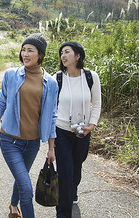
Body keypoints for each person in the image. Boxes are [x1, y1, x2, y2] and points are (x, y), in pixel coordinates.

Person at [0, 33, 58, 218]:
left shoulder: (51, 83)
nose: (25, 54)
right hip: (9, 140)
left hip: (32, 143)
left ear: (40, 55)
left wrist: (51, 148)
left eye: (30, 50)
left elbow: (52, 116)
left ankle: (13, 206)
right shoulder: (11, 75)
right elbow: (1, 102)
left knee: (22, 179)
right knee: (27, 189)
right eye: (23, 49)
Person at [54, 41, 102, 218]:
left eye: (67, 52)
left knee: (77, 165)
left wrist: (92, 125)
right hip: (62, 131)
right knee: (64, 171)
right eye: (61, 53)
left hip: (84, 131)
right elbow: (51, 106)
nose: (63, 56)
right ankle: (63, 212)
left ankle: (73, 189)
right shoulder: (57, 77)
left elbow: (96, 103)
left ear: (78, 55)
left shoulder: (91, 77)